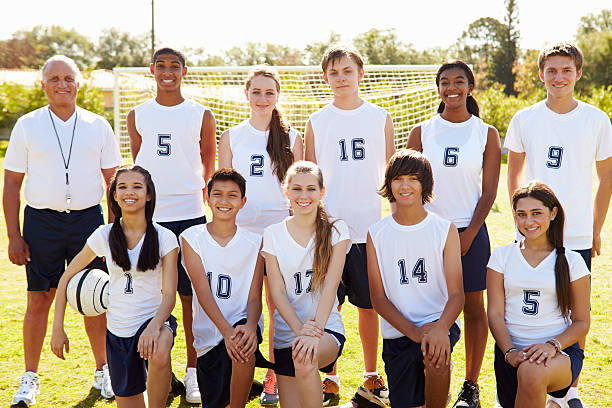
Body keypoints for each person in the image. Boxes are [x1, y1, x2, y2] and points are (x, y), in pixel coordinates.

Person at [3, 55, 122, 406]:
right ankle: (29, 377)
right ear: (43, 84)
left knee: (95, 297)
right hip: (42, 222)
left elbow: (113, 182)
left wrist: (115, 229)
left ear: (78, 83)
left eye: (68, 78)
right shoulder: (27, 125)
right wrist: (14, 235)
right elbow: (11, 184)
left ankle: (104, 371)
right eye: (54, 78)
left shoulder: (98, 125)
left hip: (88, 221)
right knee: (39, 297)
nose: (61, 84)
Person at [505, 42, 611, 408]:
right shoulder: (525, 119)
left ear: (578, 73)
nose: (559, 77)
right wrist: (522, 221)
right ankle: (532, 374)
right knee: (535, 305)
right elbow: (514, 172)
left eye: (566, 70)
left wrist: (595, 228)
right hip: (535, 231)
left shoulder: (597, 120)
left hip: (576, 232)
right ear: (541, 75)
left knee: (574, 310)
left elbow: (605, 179)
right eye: (551, 70)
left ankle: (569, 391)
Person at [304, 44, 395, 405]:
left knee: (369, 305)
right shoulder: (317, 120)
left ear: (361, 73)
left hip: (369, 228)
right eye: (333, 72)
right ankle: (330, 377)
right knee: (328, 304)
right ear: (326, 78)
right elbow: (309, 177)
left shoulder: (379, 117)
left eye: (347, 71)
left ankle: (371, 375)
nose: (341, 78)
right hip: (329, 231)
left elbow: (390, 174)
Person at [407, 60, 501, 408]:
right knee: (428, 305)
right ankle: (429, 375)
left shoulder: (485, 132)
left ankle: (470, 386)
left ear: (470, 87)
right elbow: (408, 185)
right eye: (444, 82)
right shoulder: (422, 131)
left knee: (474, 307)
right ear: (438, 88)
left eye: (459, 81)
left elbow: (489, 190)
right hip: (427, 231)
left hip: (469, 230)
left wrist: (469, 232)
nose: (452, 88)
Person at [127, 46, 217, 403]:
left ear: (183, 71)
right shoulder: (138, 114)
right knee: (150, 296)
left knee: (189, 297)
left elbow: (208, 169)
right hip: (152, 220)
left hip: (190, 215)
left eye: (174, 66)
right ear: (152, 70)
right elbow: (137, 168)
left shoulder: (200, 114)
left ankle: (194, 371)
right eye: (161, 66)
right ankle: (156, 368)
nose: (167, 71)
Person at [50, 165, 179, 408]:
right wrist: (58, 327)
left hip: (153, 321)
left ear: (149, 194)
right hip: (118, 330)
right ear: (115, 195)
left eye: (137, 186)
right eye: (122, 187)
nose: (129, 192)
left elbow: (170, 295)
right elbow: (66, 277)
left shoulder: (164, 237)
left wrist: (153, 327)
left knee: (160, 348)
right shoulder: (104, 235)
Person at [217, 66, 303, 405]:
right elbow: (223, 190)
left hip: (281, 233)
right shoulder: (231, 136)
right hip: (243, 233)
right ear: (246, 95)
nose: (263, 99)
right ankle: (240, 369)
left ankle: (274, 376)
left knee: (280, 303)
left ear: (278, 96)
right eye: (257, 92)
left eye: (269, 93)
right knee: (243, 302)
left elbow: (299, 190)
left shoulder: (292, 137)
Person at [367, 149, 465, 408]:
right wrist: (413, 332)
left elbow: (457, 294)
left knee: (436, 354)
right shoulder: (377, 234)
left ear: (425, 184)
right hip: (399, 331)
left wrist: (440, 329)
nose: (405, 185)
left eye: (413, 178)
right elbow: (378, 298)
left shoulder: (444, 229)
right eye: (398, 179)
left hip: (438, 323)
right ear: (389, 184)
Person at [487, 181, 591, 408]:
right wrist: (510, 351)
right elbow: (494, 314)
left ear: (553, 213)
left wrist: (551, 346)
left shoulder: (572, 261)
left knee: (532, 372)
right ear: (514, 216)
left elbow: (582, 322)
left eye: (536, 213)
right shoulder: (501, 257)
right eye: (521, 214)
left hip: (558, 354)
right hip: (510, 354)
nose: (528, 221)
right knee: (526, 374)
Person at [262, 161, 350, 408]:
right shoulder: (272, 234)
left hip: (325, 331)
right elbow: (277, 292)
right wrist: (300, 330)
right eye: (297, 189)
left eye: (311, 189)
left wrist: (313, 333)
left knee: (305, 357)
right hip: (287, 334)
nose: (304, 195)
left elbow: (332, 285)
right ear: (286, 192)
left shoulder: (336, 230)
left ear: (322, 192)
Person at [181, 168, 268, 408]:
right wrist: (225, 331)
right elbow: (202, 290)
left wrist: (250, 325)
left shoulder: (255, 241)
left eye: (232, 195)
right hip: (209, 332)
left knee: (243, 344)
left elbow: (254, 297)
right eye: (217, 194)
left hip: (242, 322)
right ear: (206, 198)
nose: (224, 200)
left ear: (243, 201)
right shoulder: (191, 238)